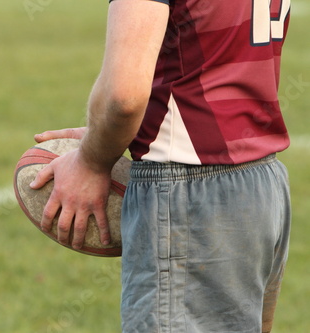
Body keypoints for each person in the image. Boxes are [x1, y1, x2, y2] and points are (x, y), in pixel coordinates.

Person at [30, 0, 292, 332]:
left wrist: (91, 161)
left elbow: (123, 98)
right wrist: (106, 135)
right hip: (261, 182)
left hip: (190, 192)